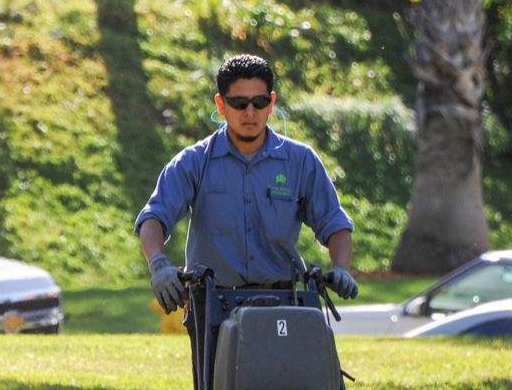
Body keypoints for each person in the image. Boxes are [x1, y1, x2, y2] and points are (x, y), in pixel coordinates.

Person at [135, 54, 357, 312]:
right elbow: (154, 217)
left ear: (271, 103)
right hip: (213, 306)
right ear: (221, 104)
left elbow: (334, 223)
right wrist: (159, 266)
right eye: (239, 103)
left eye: (259, 102)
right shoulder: (194, 162)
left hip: (284, 304)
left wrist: (341, 268)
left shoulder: (300, 161)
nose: (250, 112)